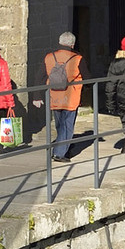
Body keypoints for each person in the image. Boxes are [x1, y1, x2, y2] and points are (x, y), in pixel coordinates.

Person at [44, 30, 84, 161]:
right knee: (67, 125)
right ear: (72, 44)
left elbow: (40, 75)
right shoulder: (77, 58)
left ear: (59, 42)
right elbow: (87, 76)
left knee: (60, 124)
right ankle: (59, 153)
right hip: (71, 96)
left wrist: (37, 96)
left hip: (54, 96)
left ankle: (63, 147)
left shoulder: (49, 57)